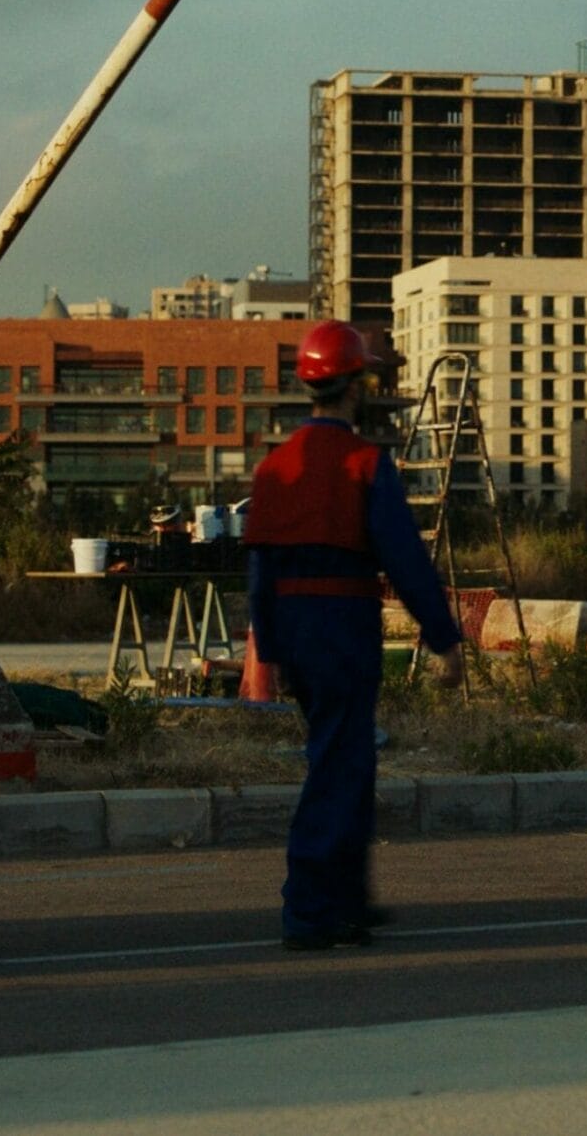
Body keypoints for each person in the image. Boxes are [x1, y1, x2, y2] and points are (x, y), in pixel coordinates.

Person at [243, 319, 464, 951]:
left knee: (347, 762)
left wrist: (272, 649)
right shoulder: (367, 464)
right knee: (339, 768)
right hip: (344, 631)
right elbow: (404, 560)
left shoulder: (274, 467)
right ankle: (310, 909)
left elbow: (258, 573)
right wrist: (443, 638)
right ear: (356, 385)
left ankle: (347, 899)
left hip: (295, 631)